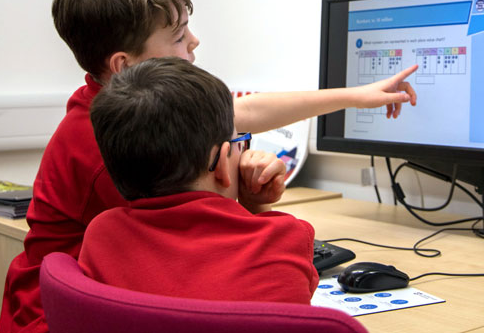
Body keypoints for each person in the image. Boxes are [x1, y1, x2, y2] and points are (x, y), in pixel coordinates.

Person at [0, 0, 417, 332]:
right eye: (179, 36)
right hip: (60, 317)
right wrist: (251, 206)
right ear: (124, 65)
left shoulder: (108, 106)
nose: (194, 42)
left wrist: (358, 95)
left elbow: (238, 112)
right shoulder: (106, 149)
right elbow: (206, 241)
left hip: (104, 295)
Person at [80, 56, 318, 304]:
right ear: (221, 163)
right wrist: (257, 208)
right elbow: (293, 308)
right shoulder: (285, 237)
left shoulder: (102, 235)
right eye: (239, 143)